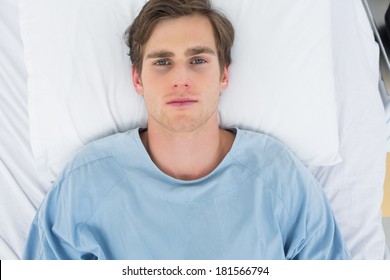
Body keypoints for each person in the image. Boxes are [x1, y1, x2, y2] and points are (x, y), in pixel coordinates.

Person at [23, 0, 350, 260]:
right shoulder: (88, 181)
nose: (181, 79)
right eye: (162, 62)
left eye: (198, 61)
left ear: (224, 75)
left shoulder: (277, 174)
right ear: (137, 79)